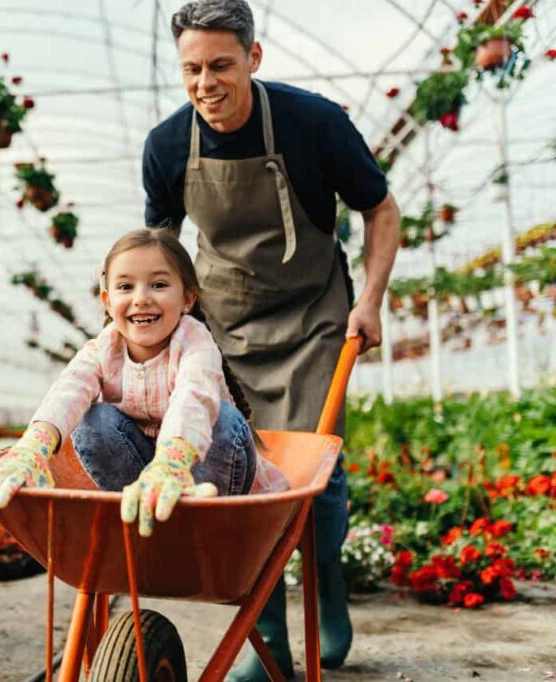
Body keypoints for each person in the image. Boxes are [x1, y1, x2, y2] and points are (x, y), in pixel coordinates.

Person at [143, 2, 401, 679]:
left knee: (314, 473)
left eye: (221, 65)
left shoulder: (313, 123)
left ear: (253, 58)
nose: (206, 84)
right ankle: (267, 643)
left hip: (314, 316)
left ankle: (326, 587)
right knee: (236, 478)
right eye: (192, 69)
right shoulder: (168, 147)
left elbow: (380, 209)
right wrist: (153, 324)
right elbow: (162, 246)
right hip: (224, 327)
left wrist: (369, 302)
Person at [0, 229, 289, 538]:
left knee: (222, 419)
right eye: (125, 287)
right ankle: (144, 514)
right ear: (106, 300)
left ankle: (196, 513)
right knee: (93, 420)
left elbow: (195, 396)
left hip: (214, 478)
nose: (141, 298)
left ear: (188, 299)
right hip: (144, 481)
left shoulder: (194, 341)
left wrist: (170, 464)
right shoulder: (104, 348)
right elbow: (68, 391)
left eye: (158, 285)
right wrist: (31, 450)